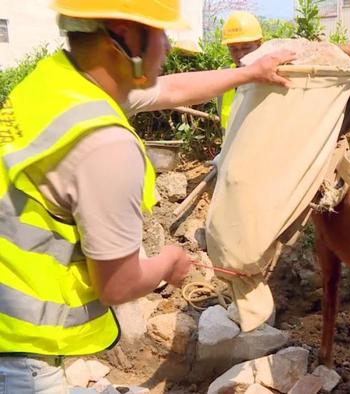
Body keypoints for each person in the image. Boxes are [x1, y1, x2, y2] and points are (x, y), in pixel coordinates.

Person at [0, 1, 293, 391]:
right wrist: (168, 264)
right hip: (22, 359)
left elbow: (170, 88)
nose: (168, 46)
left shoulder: (53, 85)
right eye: (160, 33)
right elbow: (117, 286)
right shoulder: (104, 145)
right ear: (124, 36)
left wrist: (252, 72)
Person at [217, 11, 265, 130]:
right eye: (233, 49)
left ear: (259, 45)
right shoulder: (224, 78)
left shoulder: (273, 77)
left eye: (246, 47)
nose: (240, 54)